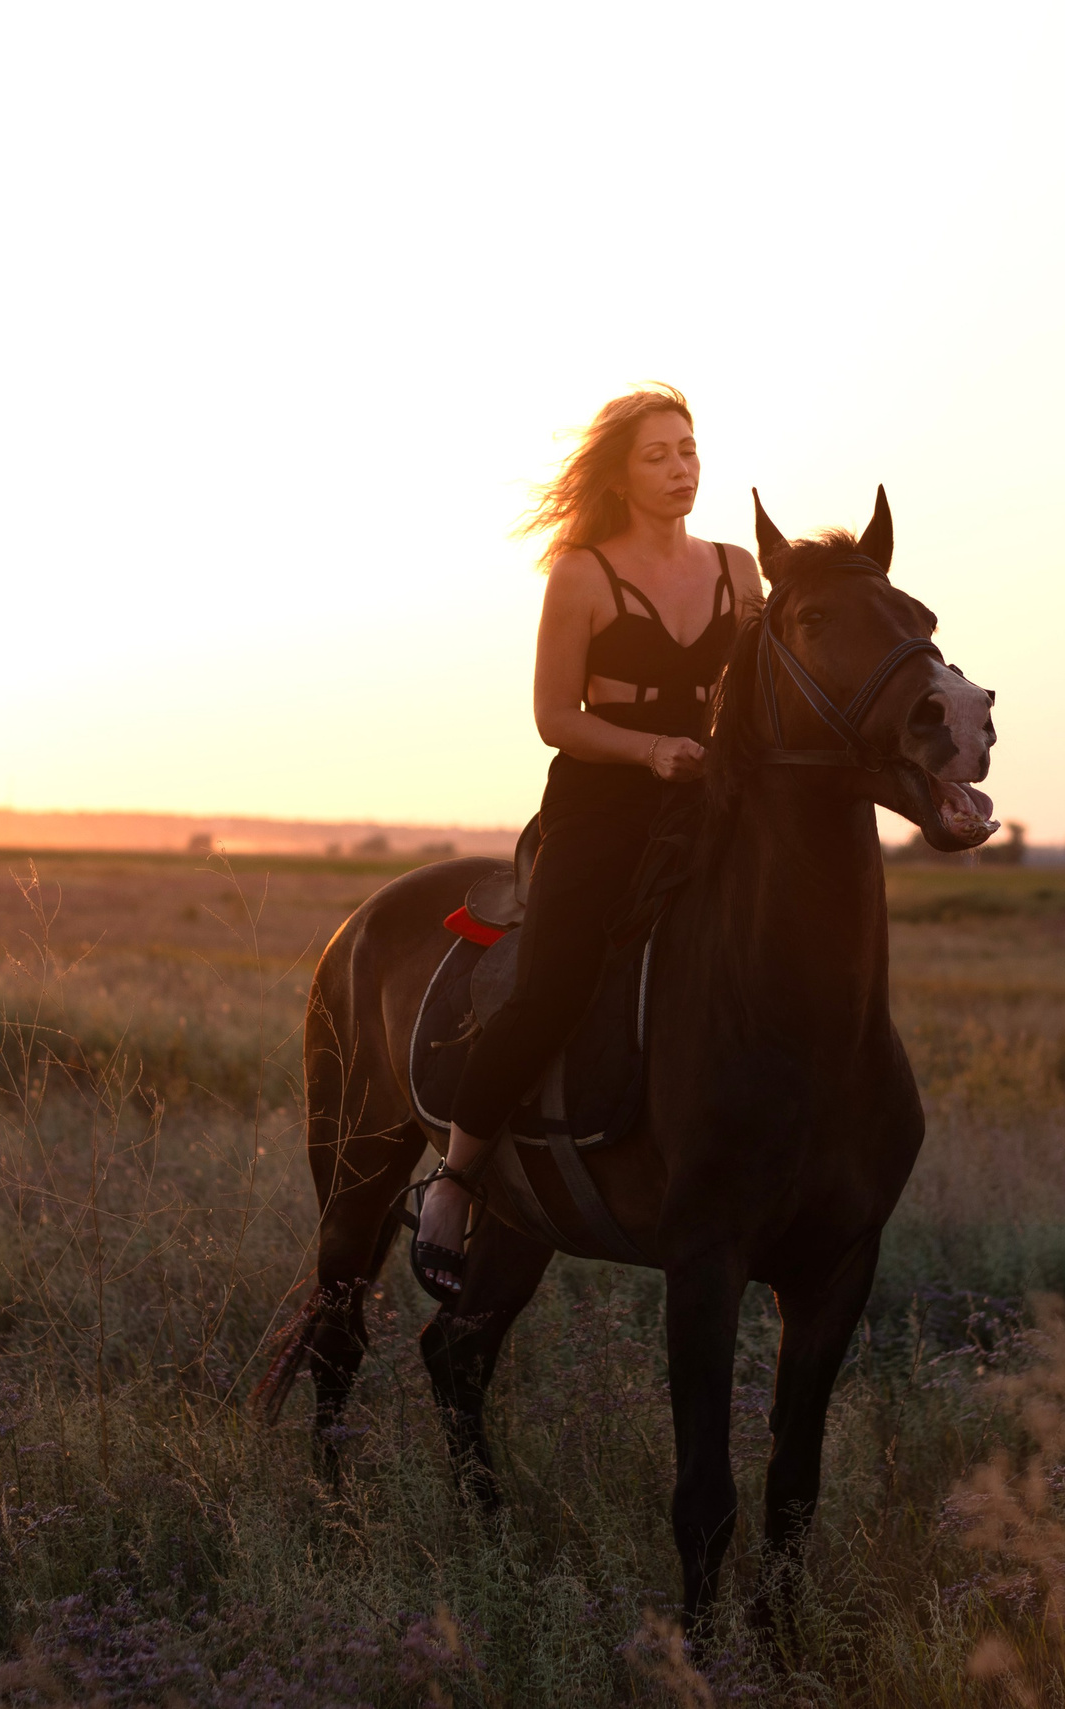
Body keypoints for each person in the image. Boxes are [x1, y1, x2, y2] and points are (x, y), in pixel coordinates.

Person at [412, 385, 762, 1299]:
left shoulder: (738, 571)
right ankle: (456, 1177)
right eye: (659, 455)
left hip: (712, 799)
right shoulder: (581, 574)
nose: (682, 467)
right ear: (620, 473)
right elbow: (553, 716)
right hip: (602, 804)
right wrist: (651, 750)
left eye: (689, 450)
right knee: (554, 982)